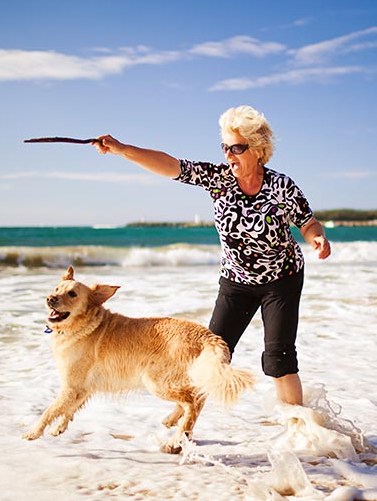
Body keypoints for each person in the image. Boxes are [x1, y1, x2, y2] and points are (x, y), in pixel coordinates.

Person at [92, 105, 331, 405]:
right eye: (225, 148)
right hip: (236, 282)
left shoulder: (282, 186)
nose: (229, 155)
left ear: (258, 149)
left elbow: (307, 222)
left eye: (237, 148)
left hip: (281, 279)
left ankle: (300, 432)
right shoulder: (218, 179)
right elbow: (171, 166)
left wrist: (317, 238)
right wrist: (123, 149)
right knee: (209, 358)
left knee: (279, 358)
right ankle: (185, 429)